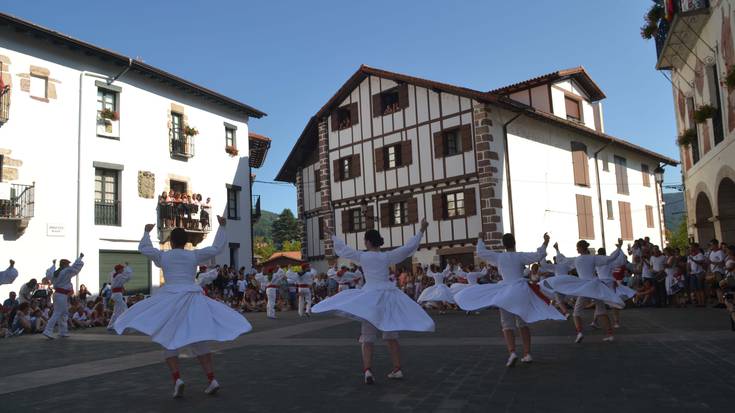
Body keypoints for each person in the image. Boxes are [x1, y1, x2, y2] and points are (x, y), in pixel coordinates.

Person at [113, 217, 252, 398]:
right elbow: (216, 248)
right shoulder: (193, 255)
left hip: (170, 298)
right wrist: (222, 227)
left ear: (171, 241)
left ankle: (177, 378)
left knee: (169, 338)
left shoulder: (163, 256)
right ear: (186, 241)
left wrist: (147, 232)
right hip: (192, 298)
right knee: (199, 338)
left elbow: (144, 249)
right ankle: (211, 379)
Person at [312, 219, 434, 385]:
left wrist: (331, 235)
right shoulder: (386, 256)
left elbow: (343, 249)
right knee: (391, 334)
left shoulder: (363, 256)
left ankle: (368, 370)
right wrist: (421, 231)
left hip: (371, 296)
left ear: (368, 242)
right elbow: (407, 249)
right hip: (388, 295)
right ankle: (397, 369)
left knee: (368, 336)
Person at [455, 232, 564, 367]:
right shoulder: (519, 256)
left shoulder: (499, 257)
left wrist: (480, 239)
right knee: (523, 323)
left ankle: (512, 352)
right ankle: (527, 353)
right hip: (519, 290)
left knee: (506, 324)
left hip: (505, 291)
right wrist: (545, 242)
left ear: (503, 244)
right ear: (514, 243)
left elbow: (481, 252)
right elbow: (538, 256)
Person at [542, 240, 625, 343]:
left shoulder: (577, 260)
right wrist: (619, 248)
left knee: (576, 312)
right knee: (601, 310)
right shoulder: (593, 258)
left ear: (581, 248)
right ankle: (610, 334)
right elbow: (610, 259)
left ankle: (580, 332)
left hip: (584, 287)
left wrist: (557, 250)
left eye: (577, 247)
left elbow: (562, 260)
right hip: (594, 286)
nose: (576, 249)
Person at [42, 254, 85, 340]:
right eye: (67, 264)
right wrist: (80, 257)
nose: (69, 265)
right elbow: (75, 267)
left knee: (64, 312)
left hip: (59, 294)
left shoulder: (55, 273)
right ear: (65, 265)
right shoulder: (66, 271)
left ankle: (63, 331)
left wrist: (53, 264)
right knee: (58, 313)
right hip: (61, 295)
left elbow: (49, 272)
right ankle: (48, 330)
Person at [107, 263, 133, 330]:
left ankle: (111, 326)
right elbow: (128, 277)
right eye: (122, 269)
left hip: (116, 294)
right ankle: (126, 324)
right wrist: (128, 267)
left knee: (116, 311)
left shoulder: (113, 275)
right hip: (117, 295)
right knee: (125, 309)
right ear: (119, 270)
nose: (123, 270)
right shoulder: (119, 276)